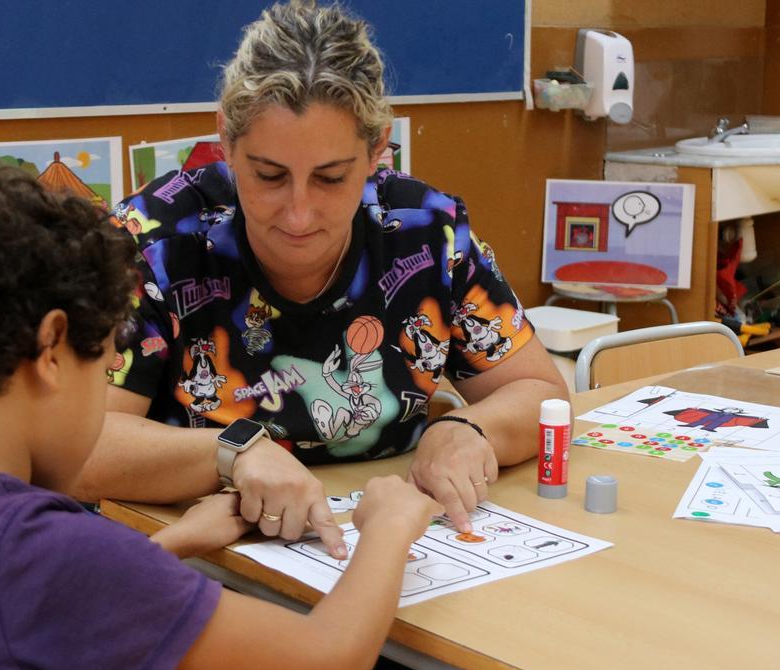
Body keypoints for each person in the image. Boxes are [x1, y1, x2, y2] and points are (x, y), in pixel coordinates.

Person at [0, 164, 442, 670]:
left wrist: (176, 544)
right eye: (103, 364)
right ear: (52, 350)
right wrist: (388, 527)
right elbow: (328, 660)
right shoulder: (46, 556)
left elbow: (24, 609)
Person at [75, 0, 568, 556]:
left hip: (387, 550)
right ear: (227, 144)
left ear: (377, 151)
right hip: (202, 560)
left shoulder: (428, 235)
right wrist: (234, 452)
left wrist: (469, 431)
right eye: (269, 175)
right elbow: (78, 449)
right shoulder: (154, 244)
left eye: (332, 178)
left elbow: (540, 392)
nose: (299, 213)